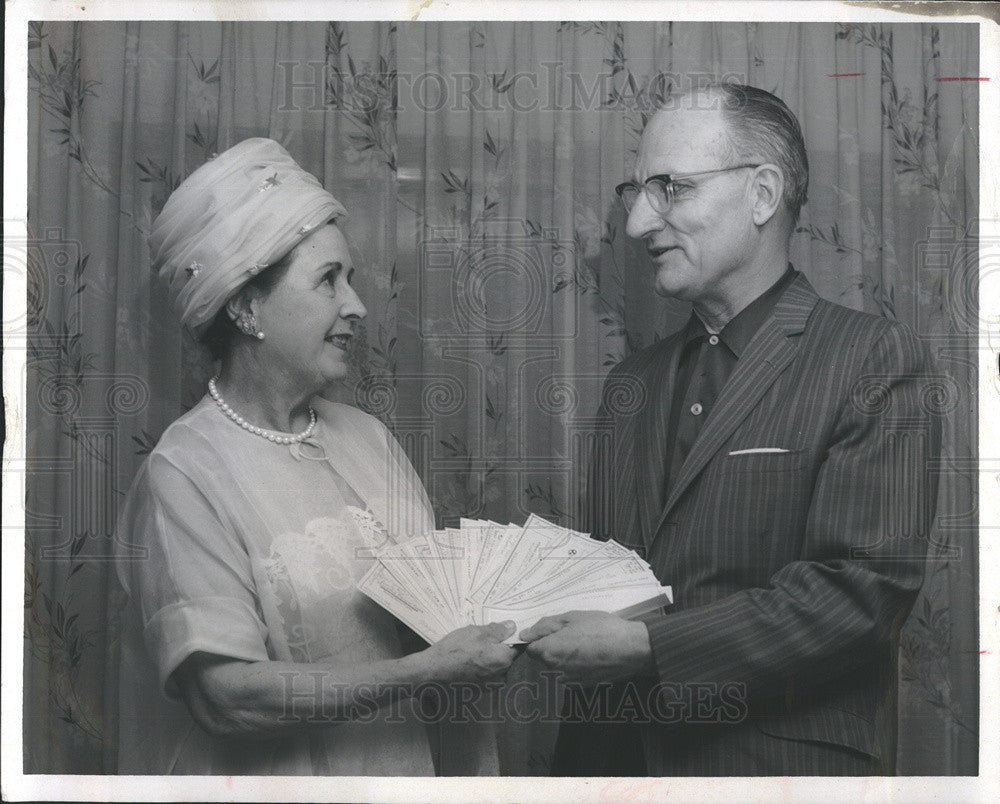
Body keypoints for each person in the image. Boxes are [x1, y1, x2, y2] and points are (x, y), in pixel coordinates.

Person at [520, 84, 940, 775]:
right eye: (637, 192)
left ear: (763, 194)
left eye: (670, 189)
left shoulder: (872, 359)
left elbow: (861, 592)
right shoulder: (632, 384)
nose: (637, 226)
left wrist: (649, 649)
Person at [114, 138, 516, 776]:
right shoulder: (184, 473)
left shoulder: (367, 437)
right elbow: (226, 698)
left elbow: (435, 610)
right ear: (247, 306)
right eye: (329, 279)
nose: (356, 305)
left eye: (350, 279)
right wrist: (428, 670)